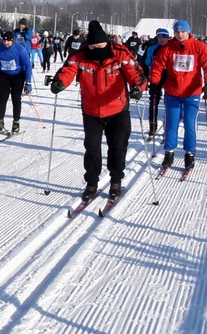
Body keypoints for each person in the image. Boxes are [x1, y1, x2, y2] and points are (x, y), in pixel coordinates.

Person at [50, 21, 147, 201]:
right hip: (91, 110)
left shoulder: (119, 53)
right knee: (92, 147)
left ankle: (116, 180)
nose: (97, 49)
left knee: (117, 146)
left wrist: (138, 87)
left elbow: (136, 72)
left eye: (100, 46)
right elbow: (68, 69)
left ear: (106, 43)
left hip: (117, 108)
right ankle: (92, 182)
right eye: (93, 46)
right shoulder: (81, 55)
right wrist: (60, 82)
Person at [148, 19, 207, 171]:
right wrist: (154, 84)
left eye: (182, 32)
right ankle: (169, 152)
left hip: (192, 93)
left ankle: (190, 154)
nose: (179, 35)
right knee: (171, 124)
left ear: (188, 31)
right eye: (177, 32)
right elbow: (157, 66)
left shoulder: (198, 46)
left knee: (189, 124)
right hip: (173, 92)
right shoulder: (168, 48)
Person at [0, 29, 34, 135]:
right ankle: (0, 122)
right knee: (2, 99)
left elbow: (27, 65)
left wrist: (28, 82)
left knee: (16, 99)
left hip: (18, 76)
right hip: (4, 75)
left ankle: (16, 123)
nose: (6, 43)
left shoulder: (20, 49)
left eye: (8, 41)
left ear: (13, 41)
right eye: (4, 41)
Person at [142, 28, 171, 140]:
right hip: (156, 77)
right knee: (154, 101)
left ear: (168, 37)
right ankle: (152, 128)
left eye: (164, 36)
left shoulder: (172, 48)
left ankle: (167, 128)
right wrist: (145, 77)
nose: (162, 39)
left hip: (170, 77)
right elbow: (145, 63)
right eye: (159, 37)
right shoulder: (152, 48)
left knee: (169, 103)